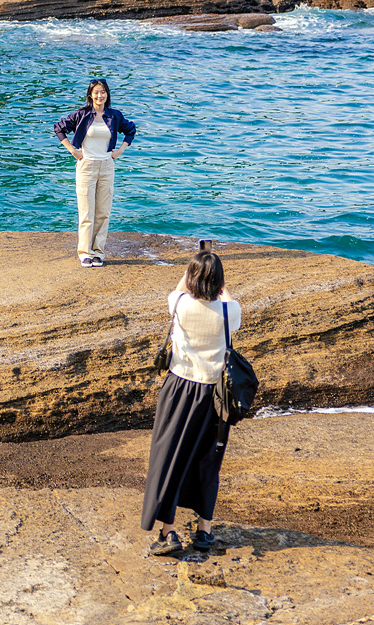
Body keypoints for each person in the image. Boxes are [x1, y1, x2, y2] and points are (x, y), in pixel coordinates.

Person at [140, 244, 242, 555]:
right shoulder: (229, 312)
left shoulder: (180, 305)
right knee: (208, 461)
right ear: (219, 281)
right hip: (215, 395)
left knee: (169, 458)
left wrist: (192, 269)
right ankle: (204, 531)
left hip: (180, 389)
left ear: (193, 277)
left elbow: (179, 287)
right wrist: (218, 283)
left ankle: (168, 531)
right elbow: (225, 297)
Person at [53, 78, 136, 267]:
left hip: (107, 165)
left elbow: (130, 129)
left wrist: (120, 150)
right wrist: (72, 150)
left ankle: (98, 252)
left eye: (103, 92)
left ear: (107, 94)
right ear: (90, 95)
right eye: (96, 92)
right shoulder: (81, 114)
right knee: (86, 212)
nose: (100, 95)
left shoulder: (114, 116)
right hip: (86, 166)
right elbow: (59, 128)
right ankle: (85, 253)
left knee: (103, 212)